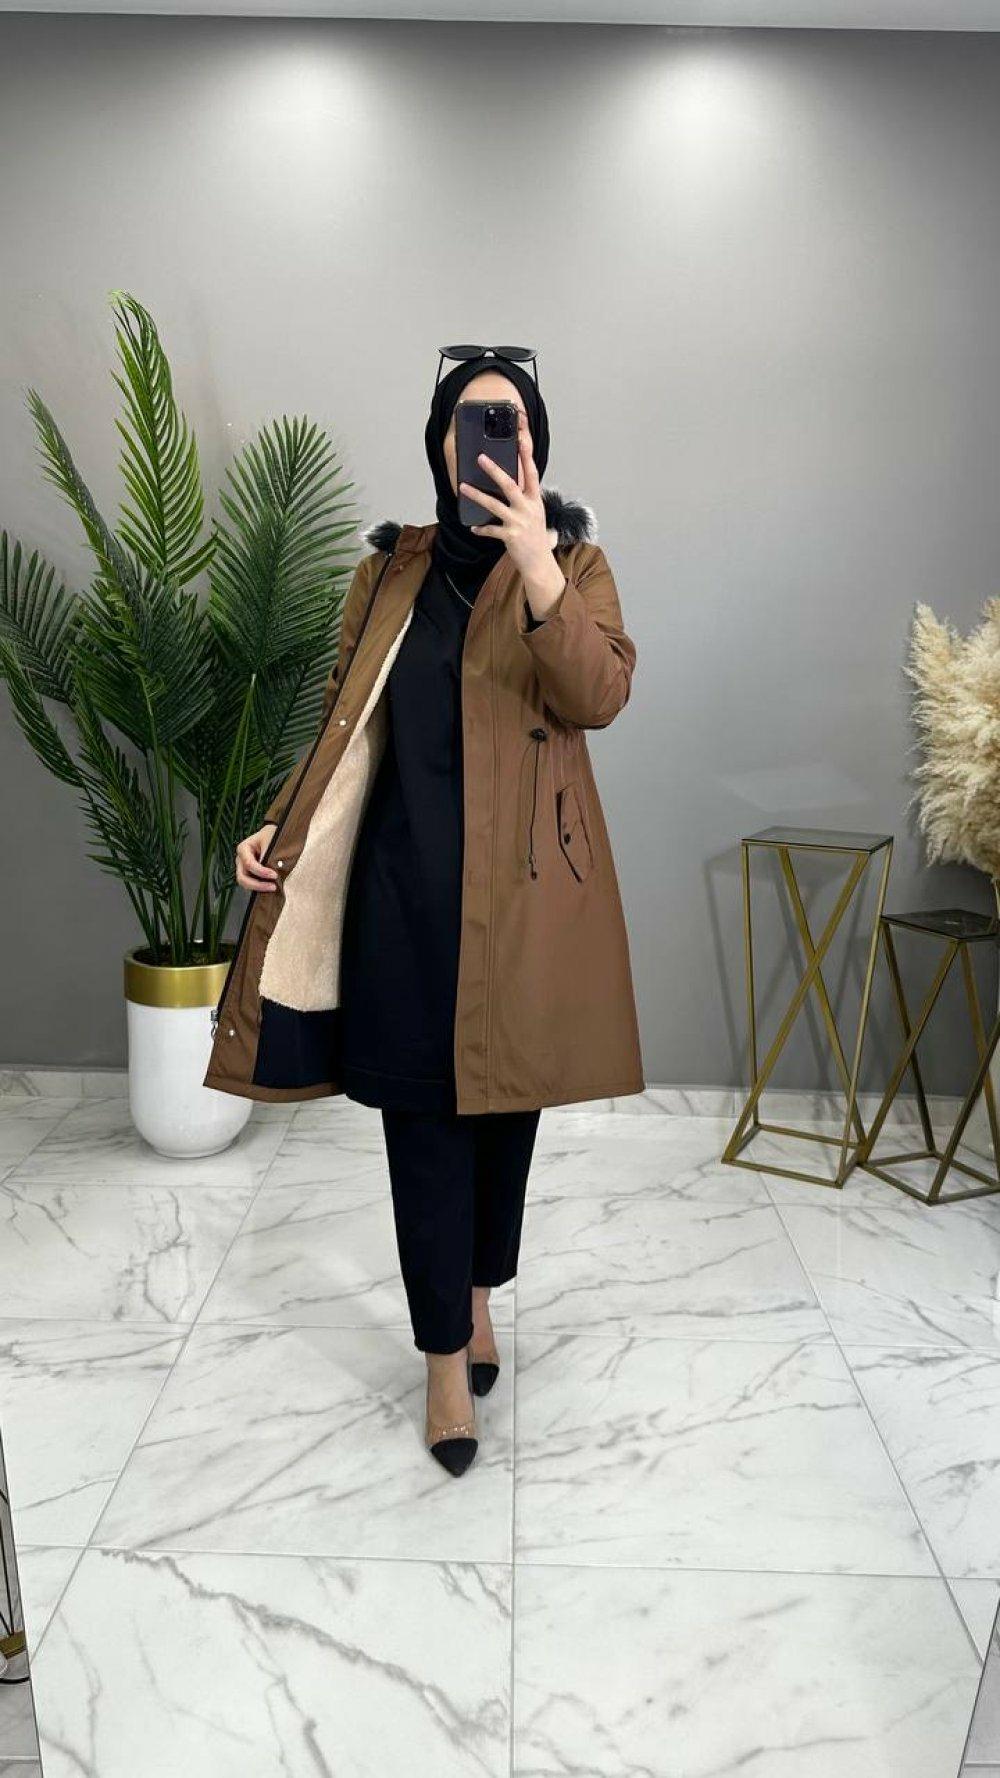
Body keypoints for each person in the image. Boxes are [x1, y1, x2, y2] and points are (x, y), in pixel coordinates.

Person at [226, 348, 643, 1478]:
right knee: (422, 1127)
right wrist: (278, 823)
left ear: (537, 444)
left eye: (511, 423)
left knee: (506, 1119)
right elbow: (342, 720)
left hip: (528, 902)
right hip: (403, 897)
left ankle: (480, 1295)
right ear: (439, 445)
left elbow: (600, 693)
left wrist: (536, 563)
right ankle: (443, 1360)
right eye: (471, 422)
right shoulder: (388, 575)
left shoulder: (577, 564)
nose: (491, 441)